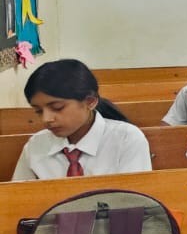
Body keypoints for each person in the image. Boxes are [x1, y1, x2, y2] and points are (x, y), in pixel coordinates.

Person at [13, 60, 150, 180]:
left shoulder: (126, 139)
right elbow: (17, 196)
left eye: (57, 107)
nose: (46, 119)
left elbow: (135, 198)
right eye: (38, 111)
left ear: (90, 102)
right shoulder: (36, 145)